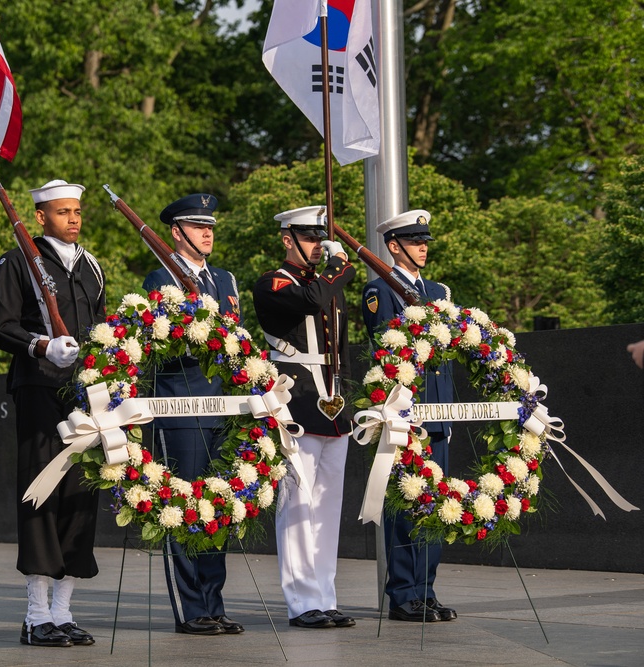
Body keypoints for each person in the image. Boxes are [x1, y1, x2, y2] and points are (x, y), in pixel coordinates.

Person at [0, 179, 105, 648]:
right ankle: (37, 615)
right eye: (63, 212)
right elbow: (3, 326)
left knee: (81, 496)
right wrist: (41, 344)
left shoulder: (91, 265)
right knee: (42, 493)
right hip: (41, 388)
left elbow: (100, 324)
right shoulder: (17, 260)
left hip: (86, 393)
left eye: (77, 211)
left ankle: (63, 610)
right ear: (41, 217)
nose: (73, 219)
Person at [142, 193, 245, 636]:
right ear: (175, 232)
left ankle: (214, 603)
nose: (208, 233)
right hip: (180, 401)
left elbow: (235, 337)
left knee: (218, 503)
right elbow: (166, 342)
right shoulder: (159, 276)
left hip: (222, 402)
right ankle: (191, 609)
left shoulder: (224, 279)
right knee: (183, 504)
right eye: (198, 226)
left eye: (211, 226)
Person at [251, 206, 357, 630]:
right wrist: (338, 268)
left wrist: (345, 392)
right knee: (298, 502)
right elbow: (311, 300)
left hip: (333, 404)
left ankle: (325, 597)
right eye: (308, 237)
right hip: (297, 402)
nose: (316, 245)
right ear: (287, 239)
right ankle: (301, 601)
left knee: (328, 506)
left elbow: (342, 348)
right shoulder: (274, 281)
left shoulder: (329, 284)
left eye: (319, 237)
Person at [361, 209, 457, 623]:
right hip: (404, 413)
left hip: (436, 410)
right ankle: (403, 594)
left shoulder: (439, 290)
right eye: (415, 241)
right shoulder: (380, 291)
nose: (423, 247)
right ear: (394, 246)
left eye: (426, 241)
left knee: (434, 503)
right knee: (405, 505)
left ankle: (426, 589)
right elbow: (387, 344)